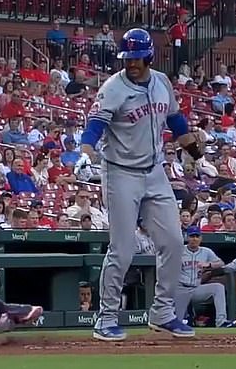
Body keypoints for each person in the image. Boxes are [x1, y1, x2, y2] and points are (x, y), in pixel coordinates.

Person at [81, 28, 202, 341]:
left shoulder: (161, 81)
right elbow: (95, 124)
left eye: (136, 58)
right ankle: (105, 317)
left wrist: (192, 148)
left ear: (148, 56)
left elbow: (175, 120)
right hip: (120, 173)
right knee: (122, 249)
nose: (131, 63)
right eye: (127, 58)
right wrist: (85, 151)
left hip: (154, 172)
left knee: (174, 242)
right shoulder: (113, 88)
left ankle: (163, 312)